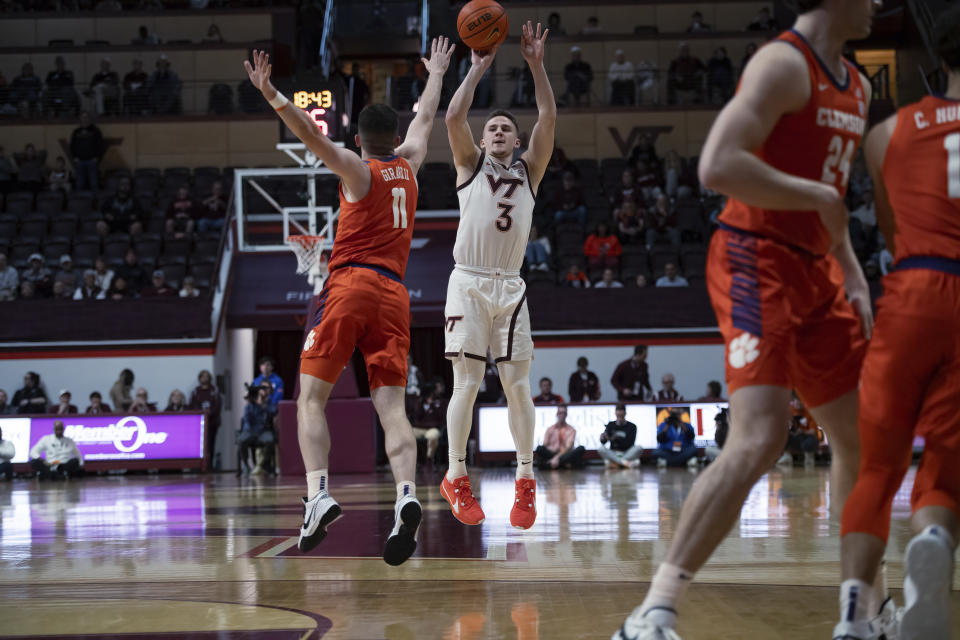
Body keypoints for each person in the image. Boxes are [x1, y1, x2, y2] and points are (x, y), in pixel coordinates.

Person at [612, 2, 879, 637]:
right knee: (759, 438)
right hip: (754, 258)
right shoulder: (783, 64)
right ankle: (651, 612)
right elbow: (717, 165)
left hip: (820, 270)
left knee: (859, 441)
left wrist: (852, 269)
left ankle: (861, 612)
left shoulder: (860, 83)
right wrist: (813, 197)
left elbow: (833, 200)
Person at [244, 39, 453, 565]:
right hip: (396, 296)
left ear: (359, 140)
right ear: (396, 137)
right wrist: (437, 73)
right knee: (392, 410)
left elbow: (310, 136)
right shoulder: (411, 163)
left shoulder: (360, 173)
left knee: (310, 399)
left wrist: (271, 94)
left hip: (352, 285)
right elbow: (427, 114)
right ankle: (406, 495)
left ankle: (318, 495)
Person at [834, 6, 960, 639]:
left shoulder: (889, 132)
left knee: (877, 464)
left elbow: (888, 226)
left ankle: (855, 618)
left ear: (937, 63)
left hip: (913, 289)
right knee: (946, 456)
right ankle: (934, 541)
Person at [440, 22, 555, 532]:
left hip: (511, 285)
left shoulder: (531, 170)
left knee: (518, 387)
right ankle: (455, 475)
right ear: (484, 141)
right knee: (466, 382)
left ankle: (526, 481)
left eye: (509, 128)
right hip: (467, 281)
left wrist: (536, 64)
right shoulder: (469, 164)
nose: (502, 132)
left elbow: (549, 115)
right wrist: (477, 68)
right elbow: (453, 115)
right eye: (495, 129)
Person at [238, 382, 276, 475]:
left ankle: (265, 465)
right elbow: (246, 419)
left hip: (264, 430)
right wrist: (248, 402)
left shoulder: (269, 402)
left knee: (270, 441)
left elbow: (273, 411)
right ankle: (246, 465)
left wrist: (263, 404)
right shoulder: (250, 404)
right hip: (251, 430)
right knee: (241, 440)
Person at [535, 405, 585, 469]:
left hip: (565, 454)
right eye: (560, 413)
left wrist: (557, 457)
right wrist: (553, 452)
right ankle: (564, 465)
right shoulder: (550, 429)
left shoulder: (571, 430)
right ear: (557, 414)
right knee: (539, 448)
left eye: (564, 413)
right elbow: (544, 445)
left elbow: (569, 447)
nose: (562, 415)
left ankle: (551, 464)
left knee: (581, 448)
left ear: (566, 415)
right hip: (552, 454)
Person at [189, 369, 221, 463]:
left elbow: (218, 405)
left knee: (211, 443)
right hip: (199, 423)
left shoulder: (214, 390)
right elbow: (192, 405)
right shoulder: (196, 391)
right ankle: (199, 463)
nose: (205, 378)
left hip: (212, 422)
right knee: (199, 444)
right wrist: (201, 413)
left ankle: (209, 463)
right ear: (199, 378)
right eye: (203, 376)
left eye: (207, 376)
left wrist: (210, 413)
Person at [412, 379, 446, 463]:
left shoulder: (440, 402)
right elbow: (416, 416)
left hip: (432, 428)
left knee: (432, 436)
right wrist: (422, 402)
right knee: (408, 435)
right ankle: (411, 460)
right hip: (419, 428)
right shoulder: (419, 402)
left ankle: (429, 459)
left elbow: (441, 417)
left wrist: (432, 405)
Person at [598, 403, 642, 469]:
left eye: (621, 416)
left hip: (626, 452)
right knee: (601, 448)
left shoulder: (632, 426)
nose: (620, 418)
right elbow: (603, 442)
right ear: (615, 414)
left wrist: (614, 438)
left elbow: (630, 443)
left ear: (625, 414)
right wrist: (603, 438)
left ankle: (615, 463)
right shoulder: (610, 425)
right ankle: (625, 463)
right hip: (614, 452)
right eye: (618, 416)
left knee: (639, 448)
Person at [69, 112, 103, 192]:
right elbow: (72, 146)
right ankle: (80, 203)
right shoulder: (76, 132)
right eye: (83, 117)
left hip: (92, 161)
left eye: (86, 117)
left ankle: (96, 202)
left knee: (94, 184)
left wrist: (97, 157)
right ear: (80, 119)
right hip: (79, 162)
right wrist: (74, 157)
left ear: (89, 119)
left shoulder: (96, 131)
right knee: (79, 184)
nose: (84, 119)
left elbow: (100, 145)